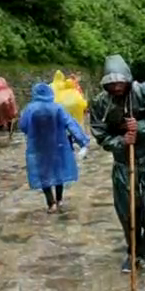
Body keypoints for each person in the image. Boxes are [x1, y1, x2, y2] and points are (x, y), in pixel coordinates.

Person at [90, 54, 145, 274]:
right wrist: (121, 141)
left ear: (127, 79)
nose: (116, 87)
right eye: (111, 83)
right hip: (123, 162)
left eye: (119, 82)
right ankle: (133, 251)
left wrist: (141, 127)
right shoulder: (100, 103)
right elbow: (100, 134)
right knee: (128, 211)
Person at [20, 83, 89, 213]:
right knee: (58, 171)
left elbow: (23, 126)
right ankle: (59, 199)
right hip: (58, 144)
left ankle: (50, 203)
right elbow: (70, 124)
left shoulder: (29, 109)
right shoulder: (58, 108)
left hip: (39, 146)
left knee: (44, 173)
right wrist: (82, 141)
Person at [0, 77, 18, 144]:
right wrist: (14, 111)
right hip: (7, 107)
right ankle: (10, 136)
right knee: (10, 121)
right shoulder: (8, 90)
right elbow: (12, 101)